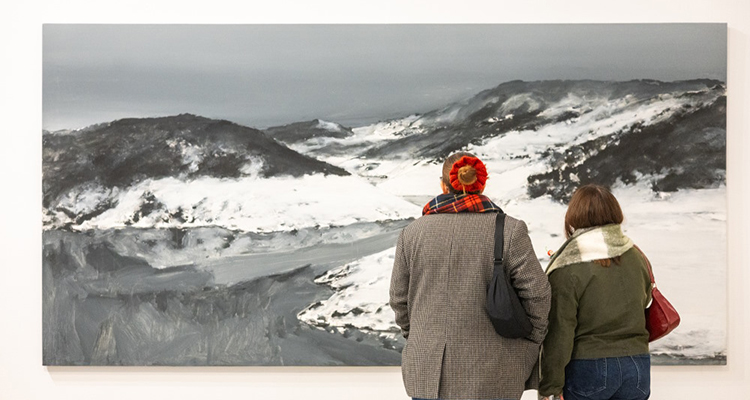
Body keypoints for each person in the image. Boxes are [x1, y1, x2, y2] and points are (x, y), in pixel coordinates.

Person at [389, 152, 551, 400]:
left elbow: (399, 300)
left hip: (428, 375)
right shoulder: (510, 230)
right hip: (494, 373)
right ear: (481, 185)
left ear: (443, 185)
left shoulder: (412, 233)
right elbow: (538, 295)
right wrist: (530, 341)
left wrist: (419, 337)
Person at [538, 184, 652, 400]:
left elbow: (559, 332)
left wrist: (550, 387)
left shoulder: (568, 264)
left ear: (574, 215)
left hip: (589, 367)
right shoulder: (636, 256)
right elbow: (645, 301)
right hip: (638, 367)